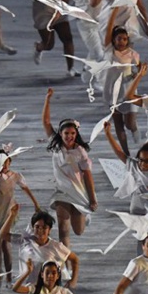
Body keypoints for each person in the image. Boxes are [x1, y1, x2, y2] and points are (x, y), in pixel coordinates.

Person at [42, 88, 98, 246]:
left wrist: (92, 199)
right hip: (61, 192)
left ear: (76, 134)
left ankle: (84, 215)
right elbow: (46, 122)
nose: (69, 136)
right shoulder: (56, 145)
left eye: (72, 133)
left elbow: (87, 175)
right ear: (60, 133)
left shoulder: (80, 152)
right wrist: (48, 99)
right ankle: (63, 263)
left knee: (78, 231)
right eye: (66, 133)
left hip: (79, 192)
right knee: (63, 228)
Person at [0, 149, 41, 293]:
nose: (4, 164)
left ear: (10, 162)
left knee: (6, 246)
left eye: (6, 161)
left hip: (8, 214)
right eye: (0, 161)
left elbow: (26, 188)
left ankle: (8, 276)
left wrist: (36, 204)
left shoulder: (15, 176)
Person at [19, 0, 79, 76]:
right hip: (42, 12)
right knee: (48, 44)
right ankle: (39, 47)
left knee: (67, 38)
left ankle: (70, 68)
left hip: (58, 10)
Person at [0, 206, 80, 290]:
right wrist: (11, 216)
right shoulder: (25, 240)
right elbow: (3, 235)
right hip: (28, 288)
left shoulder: (56, 246)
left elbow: (75, 259)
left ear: (49, 230)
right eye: (37, 227)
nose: (40, 230)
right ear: (33, 227)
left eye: (44, 227)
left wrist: (73, 281)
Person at [103, 12, 140, 155]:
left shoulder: (132, 54)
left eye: (125, 39)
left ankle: (135, 128)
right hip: (113, 90)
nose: (122, 42)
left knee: (129, 123)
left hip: (128, 89)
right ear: (113, 39)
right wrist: (114, 11)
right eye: (119, 39)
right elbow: (108, 29)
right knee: (118, 125)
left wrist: (139, 74)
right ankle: (126, 152)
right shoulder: (109, 51)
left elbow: (138, 69)